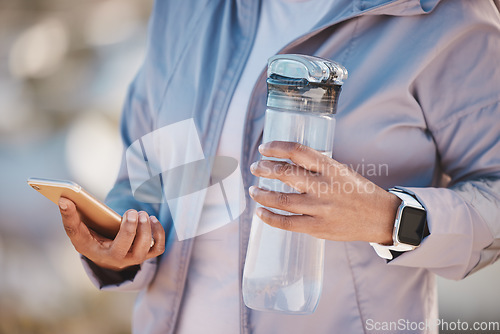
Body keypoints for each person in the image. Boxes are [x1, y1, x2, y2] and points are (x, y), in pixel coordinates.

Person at [57, 0, 500, 333]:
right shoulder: (183, 8)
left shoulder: (449, 19)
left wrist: (389, 217)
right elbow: (145, 175)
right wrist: (118, 242)